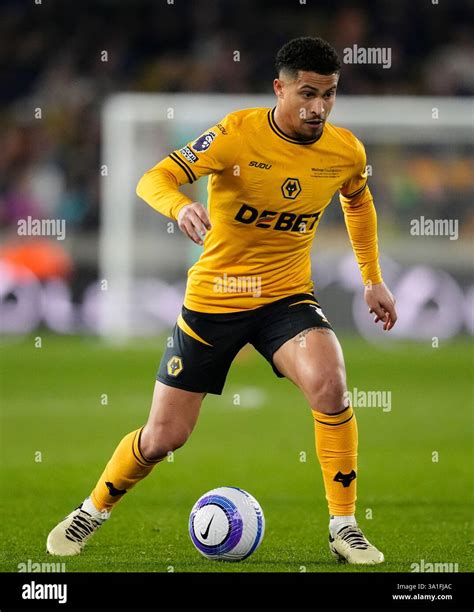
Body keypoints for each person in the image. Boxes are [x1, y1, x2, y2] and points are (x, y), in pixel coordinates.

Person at [47, 37, 397, 564]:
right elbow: (153, 177)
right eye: (307, 93)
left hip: (286, 299)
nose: (318, 107)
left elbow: (358, 200)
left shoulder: (345, 151)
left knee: (330, 384)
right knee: (165, 437)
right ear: (279, 88)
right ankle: (92, 509)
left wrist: (372, 278)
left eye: (328, 95)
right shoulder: (235, 134)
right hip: (215, 300)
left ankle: (344, 526)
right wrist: (180, 207)